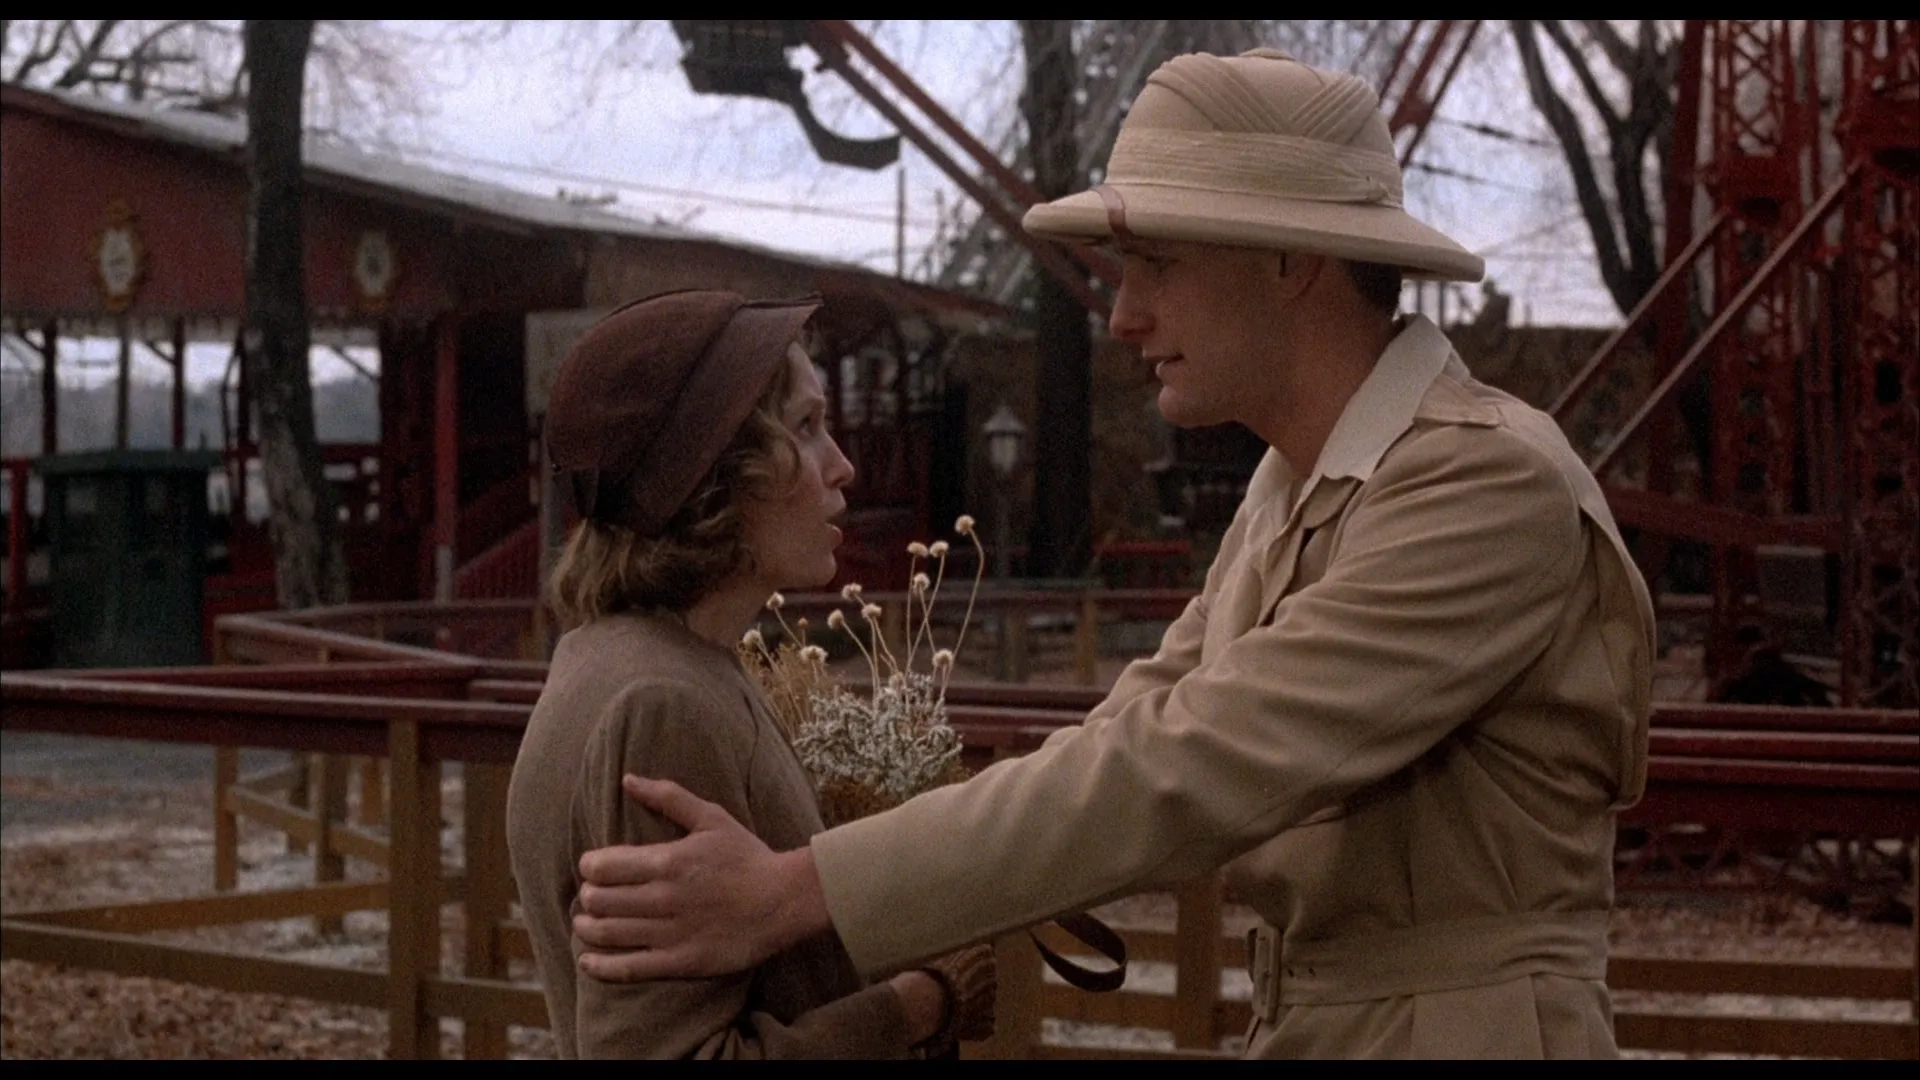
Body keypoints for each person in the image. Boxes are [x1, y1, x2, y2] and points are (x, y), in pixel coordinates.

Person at [568, 50, 1657, 1059]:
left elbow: (1195, 759)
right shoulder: (1300, 480)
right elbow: (1141, 725)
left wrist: (796, 891)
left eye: (1157, 266)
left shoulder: (1483, 482)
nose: (1124, 317)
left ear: (1289, 260)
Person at [505, 289, 995, 1059]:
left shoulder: (646, 659)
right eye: (804, 428)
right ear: (711, 472)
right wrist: (918, 1003)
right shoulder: (660, 704)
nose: (843, 465)